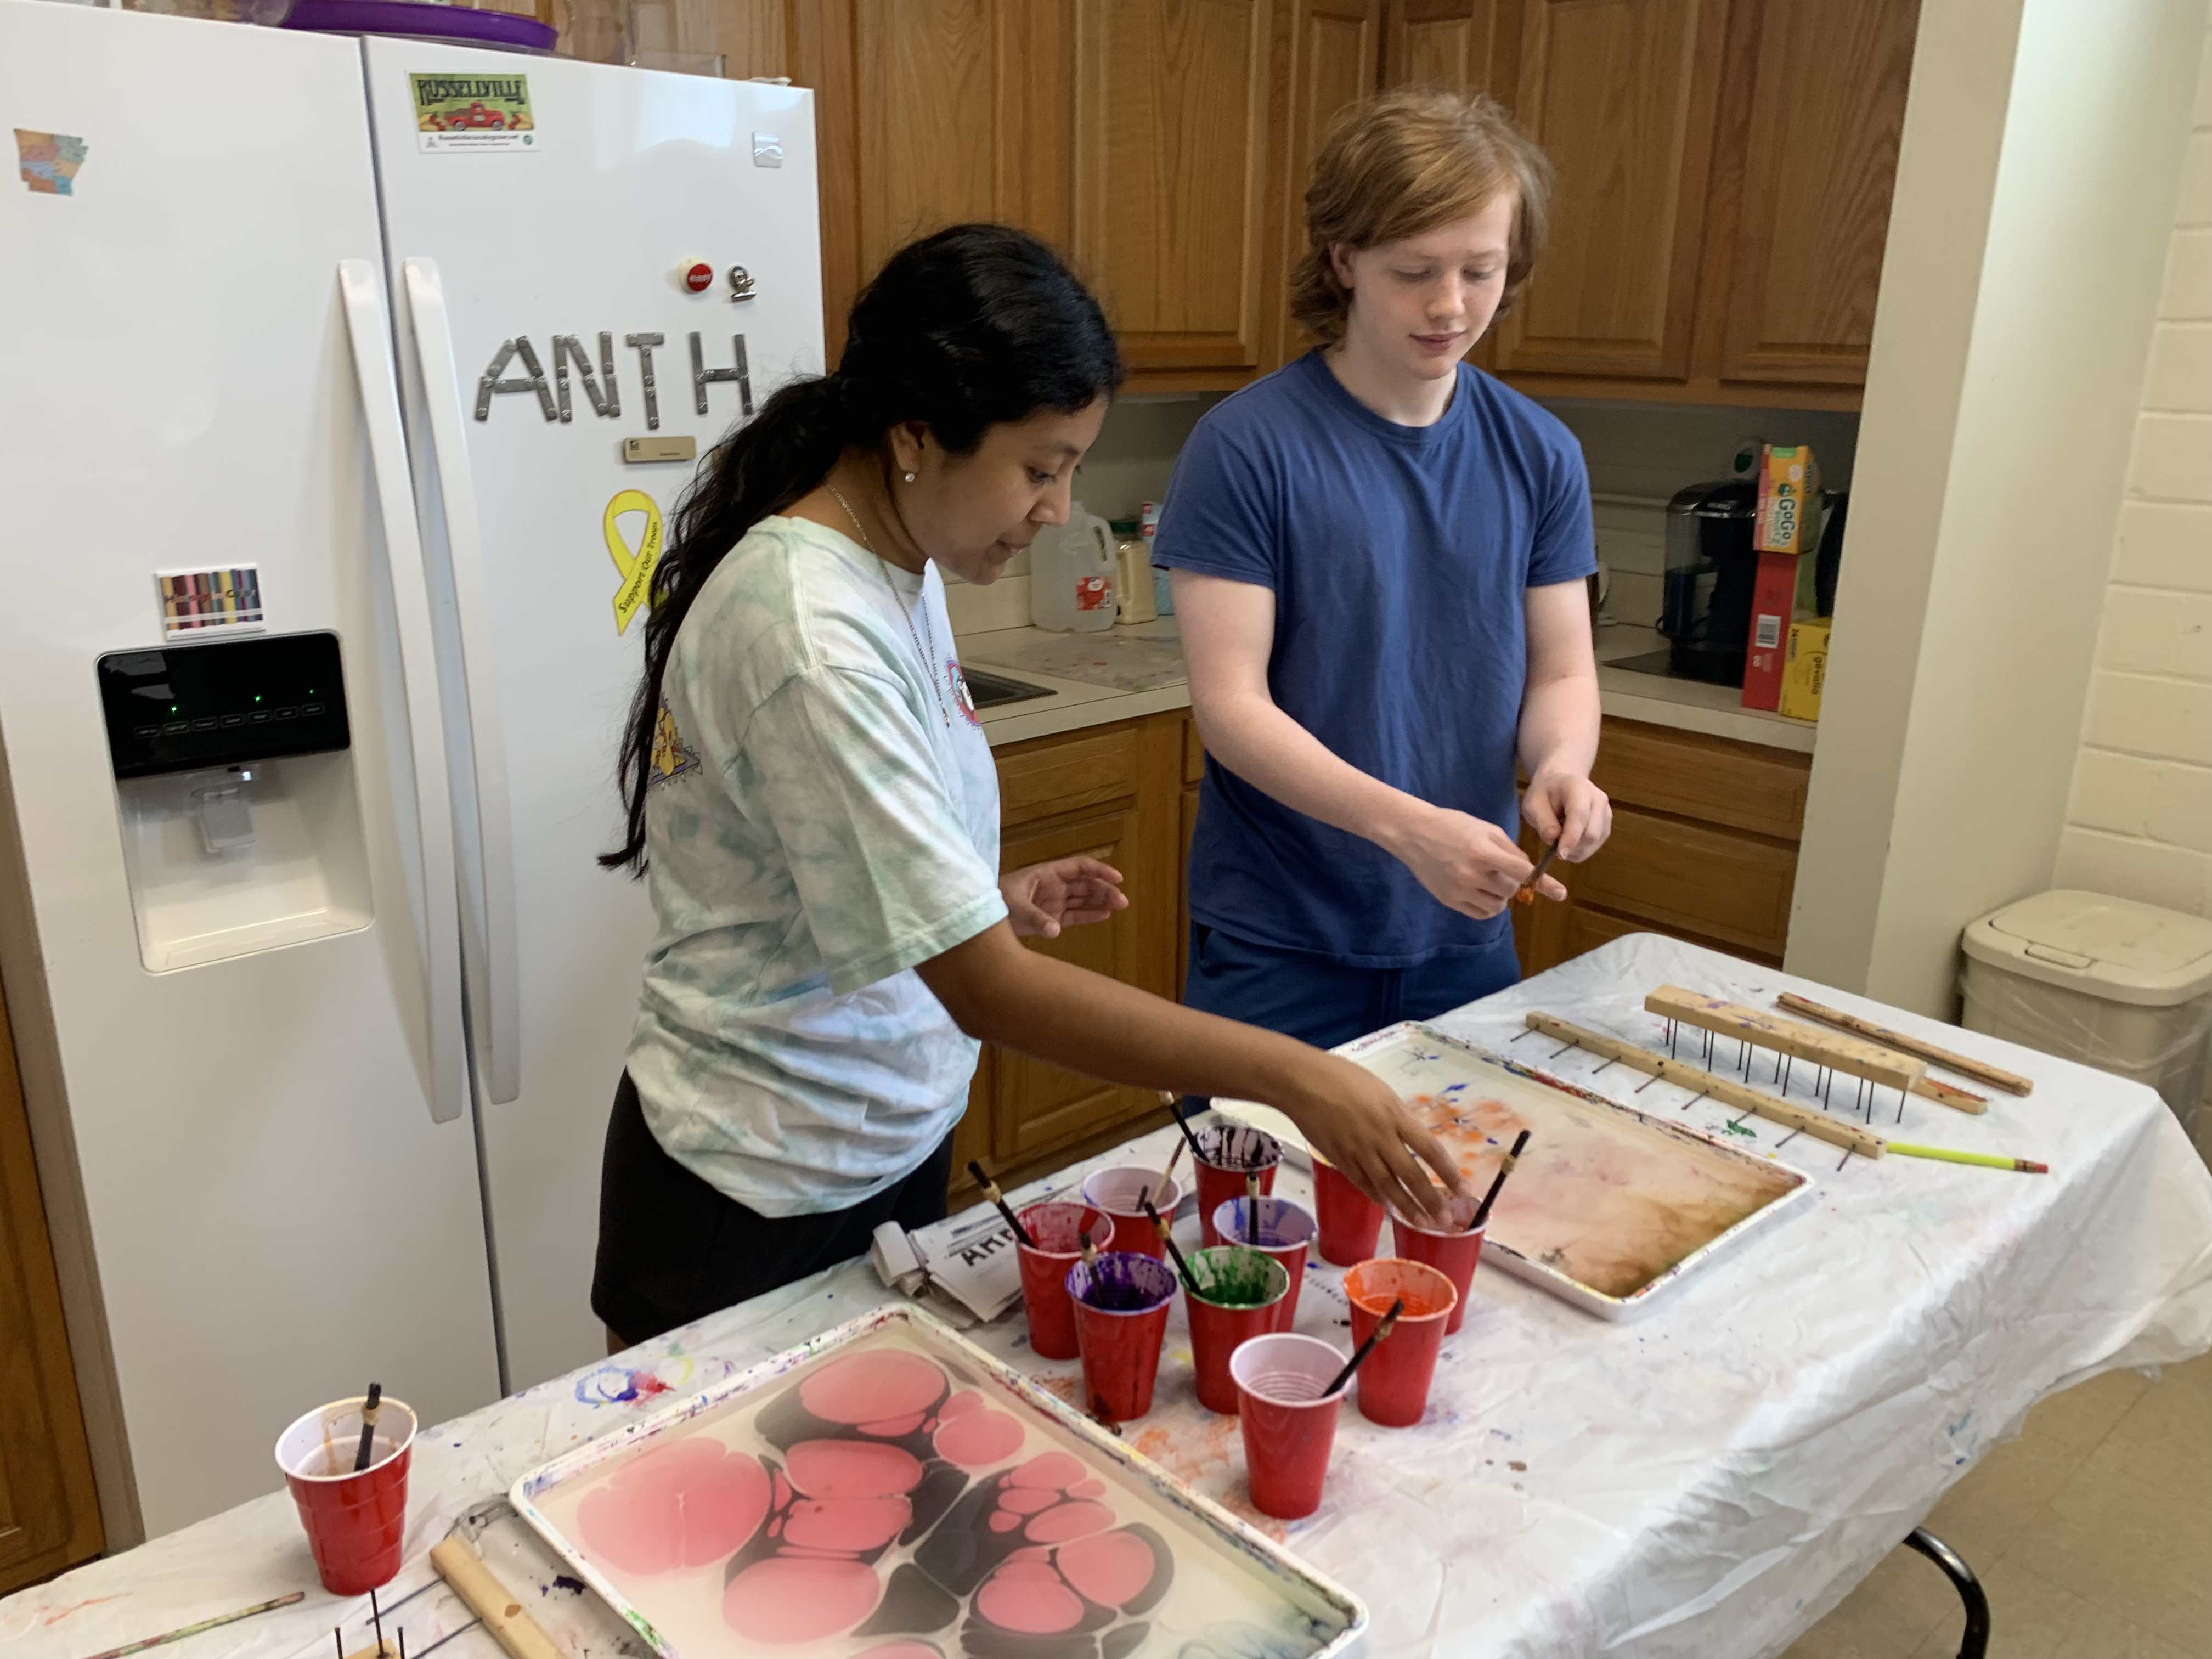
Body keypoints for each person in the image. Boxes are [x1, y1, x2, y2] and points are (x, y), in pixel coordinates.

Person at [592, 224, 1462, 1348]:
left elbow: (824, 857)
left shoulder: (898, 549)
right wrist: (1292, 1077)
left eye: (1074, 469)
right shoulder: (811, 630)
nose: (1057, 508)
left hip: (875, 1140)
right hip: (756, 1187)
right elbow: (989, 994)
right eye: (1041, 467)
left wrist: (976, 896)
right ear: (916, 435)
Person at [1152, 89, 1613, 1052]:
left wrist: (1563, 766)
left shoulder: (1542, 452)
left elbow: (1563, 670)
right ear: (1345, 258)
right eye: (1416, 272)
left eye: (1480, 272)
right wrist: (1410, 831)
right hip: (1282, 939)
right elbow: (1233, 711)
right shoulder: (1245, 448)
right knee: (1255, 1201)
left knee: (1451, 1195)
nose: (1451, 306)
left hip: (1465, 929)